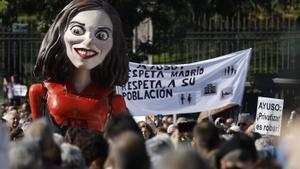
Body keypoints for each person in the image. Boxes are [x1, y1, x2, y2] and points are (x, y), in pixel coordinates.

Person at [29, 0, 128, 133]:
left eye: (101, 35)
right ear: (61, 33)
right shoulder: (40, 91)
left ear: (114, 43)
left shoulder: (113, 100)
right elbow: (37, 138)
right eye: (77, 30)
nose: (88, 41)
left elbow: (121, 142)